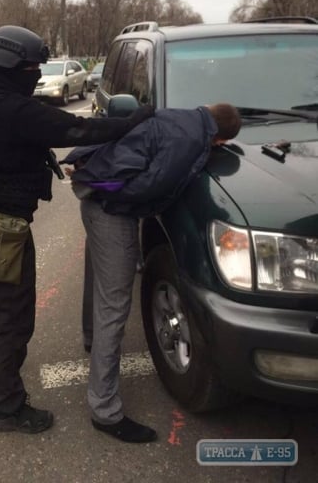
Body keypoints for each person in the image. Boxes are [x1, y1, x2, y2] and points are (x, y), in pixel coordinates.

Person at [0, 24, 154, 436]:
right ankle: (8, 407)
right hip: (2, 227)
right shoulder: (11, 109)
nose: (37, 77)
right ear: (14, 67)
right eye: (32, 69)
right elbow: (75, 129)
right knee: (11, 316)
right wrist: (134, 122)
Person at [62, 103, 241, 443]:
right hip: (107, 208)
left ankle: (91, 337)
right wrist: (112, 199)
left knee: (100, 280)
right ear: (219, 141)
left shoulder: (179, 115)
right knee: (115, 306)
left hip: (95, 197)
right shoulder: (191, 141)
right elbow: (152, 187)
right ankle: (105, 410)